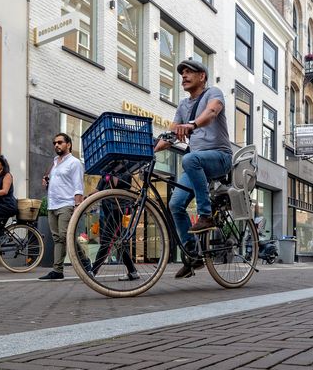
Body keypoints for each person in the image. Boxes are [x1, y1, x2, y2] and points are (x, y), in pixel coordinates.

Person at [154, 59, 233, 279]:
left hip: (220, 157)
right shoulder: (182, 105)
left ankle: (205, 214)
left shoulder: (213, 93)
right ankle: (193, 254)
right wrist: (151, 151)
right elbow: (170, 135)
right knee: (175, 204)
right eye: (182, 73)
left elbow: (212, 113)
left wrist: (192, 125)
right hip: (197, 162)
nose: (184, 76)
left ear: (202, 77)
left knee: (189, 159)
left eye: (190, 72)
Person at [38, 133, 89, 281]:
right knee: (58, 239)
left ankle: (85, 262)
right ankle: (58, 271)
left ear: (69, 144)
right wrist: (46, 182)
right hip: (52, 204)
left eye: (60, 142)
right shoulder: (55, 163)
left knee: (67, 236)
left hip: (66, 205)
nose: (56, 145)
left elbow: (78, 186)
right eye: (55, 143)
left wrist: (77, 206)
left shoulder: (74, 163)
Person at [90, 171, 140, 281]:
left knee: (107, 240)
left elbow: (116, 184)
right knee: (119, 241)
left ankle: (93, 271)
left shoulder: (124, 170)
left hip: (120, 209)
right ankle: (132, 271)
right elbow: (99, 190)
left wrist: (112, 173)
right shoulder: (106, 172)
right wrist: (86, 199)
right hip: (107, 210)